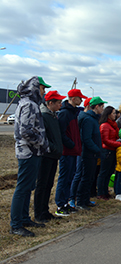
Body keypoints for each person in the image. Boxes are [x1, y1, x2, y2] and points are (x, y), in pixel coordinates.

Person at [10, 76, 50, 237]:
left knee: (28, 188)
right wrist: (42, 143)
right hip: (28, 152)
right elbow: (25, 131)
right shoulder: (29, 105)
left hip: (33, 152)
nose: (44, 92)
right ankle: (16, 224)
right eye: (42, 88)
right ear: (34, 88)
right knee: (22, 188)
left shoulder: (31, 104)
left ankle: (25, 218)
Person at [34, 90, 65, 223]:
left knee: (49, 184)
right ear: (50, 103)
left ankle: (45, 210)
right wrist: (53, 147)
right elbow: (44, 137)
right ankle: (39, 213)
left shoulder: (53, 116)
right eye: (58, 102)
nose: (60, 105)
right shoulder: (44, 116)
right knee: (42, 184)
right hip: (46, 155)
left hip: (54, 155)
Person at [56, 88, 87, 216]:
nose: (81, 100)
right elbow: (62, 133)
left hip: (74, 151)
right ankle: (60, 204)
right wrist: (71, 144)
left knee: (70, 177)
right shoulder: (64, 113)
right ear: (73, 99)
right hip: (67, 151)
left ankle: (66, 202)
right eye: (80, 98)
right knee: (64, 178)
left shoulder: (74, 112)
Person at [77, 97, 106, 211]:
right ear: (96, 106)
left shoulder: (94, 119)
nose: (103, 109)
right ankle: (80, 201)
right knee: (85, 177)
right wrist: (97, 149)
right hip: (88, 153)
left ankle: (86, 199)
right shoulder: (88, 119)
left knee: (90, 178)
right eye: (102, 107)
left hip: (93, 153)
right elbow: (86, 138)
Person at [96, 106, 121, 200]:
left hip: (113, 150)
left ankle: (106, 191)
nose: (115, 115)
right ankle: (101, 192)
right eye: (114, 113)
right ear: (108, 114)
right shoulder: (105, 125)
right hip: (106, 151)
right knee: (104, 172)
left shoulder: (113, 125)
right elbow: (105, 140)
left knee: (109, 172)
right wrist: (118, 144)